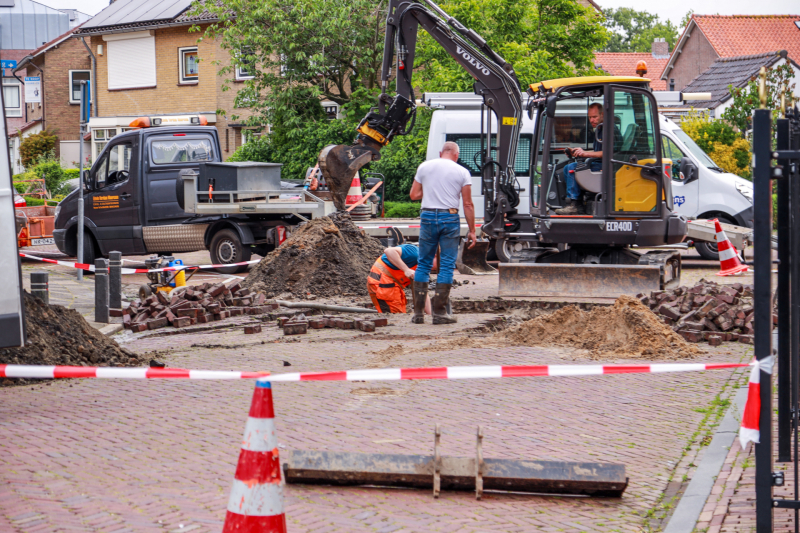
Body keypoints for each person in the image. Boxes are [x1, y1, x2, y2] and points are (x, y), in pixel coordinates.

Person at [409, 141, 476, 325]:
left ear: (441, 153)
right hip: (450, 217)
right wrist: (472, 230)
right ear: (456, 155)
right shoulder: (462, 171)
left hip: (428, 216)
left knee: (423, 264)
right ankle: (439, 314)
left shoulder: (425, 166)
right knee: (446, 265)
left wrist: (431, 190)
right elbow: (467, 204)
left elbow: (414, 195)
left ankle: (418, 315)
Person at [556, 102, 604, 215]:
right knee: (567, 167)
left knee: (573, 168)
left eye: (595, 117)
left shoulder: (609, 130)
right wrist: (579, 152)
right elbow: (598, 151)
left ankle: (575, 204)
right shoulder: (599, 129)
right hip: (599, 162)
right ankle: (577, 202)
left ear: (602, 115)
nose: (592, 120)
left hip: (605, 166)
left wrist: (585, 154)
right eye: (590, 117)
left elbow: (608, 153)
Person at [367, 243, 431, 315]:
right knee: (393, 315)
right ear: (435, 256)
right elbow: (389, 251)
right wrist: (406, 269)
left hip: (392, 285)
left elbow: (422, 291)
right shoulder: (415, 253)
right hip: (382, 282)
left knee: (400, 313)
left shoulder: (425, 265)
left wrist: (430, 315)